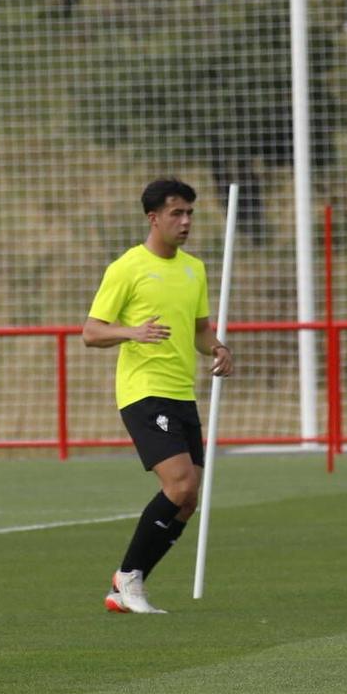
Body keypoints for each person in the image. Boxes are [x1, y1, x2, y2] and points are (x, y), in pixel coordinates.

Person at [83, 178, 235, 615]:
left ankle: (127, 586)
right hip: (143, 393)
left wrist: (220, 348)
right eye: (176, 213)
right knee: (180, 483)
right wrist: (132, 331)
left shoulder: (194, 269)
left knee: (189, 498)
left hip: (181, 392)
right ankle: (128, 576)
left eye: (190, 213)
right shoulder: (127, 268)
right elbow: (91, 332)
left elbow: (200, 332)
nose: (185, 221)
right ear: (154, 218)